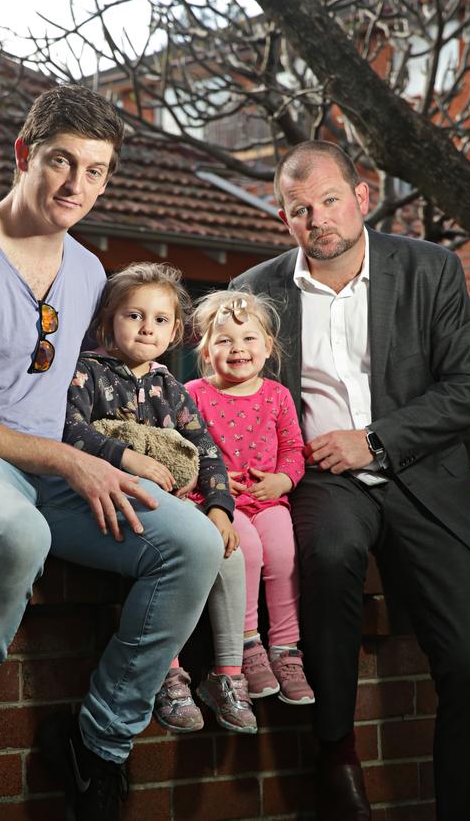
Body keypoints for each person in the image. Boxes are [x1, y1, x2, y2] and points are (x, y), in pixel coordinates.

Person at [0, 85, 224, 821]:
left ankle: (99, 741)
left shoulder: (91, 272)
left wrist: (117, 457)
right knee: (15, 530)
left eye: (95, 170)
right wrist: (68, 460)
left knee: (192, 542)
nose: (76, 185)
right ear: (23, 155)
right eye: (61, 162)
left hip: (39, 472)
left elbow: (91, 398)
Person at [231, 140, 470, 821]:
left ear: (362, 197)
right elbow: (227, 392)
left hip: (422, 477)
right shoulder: (254, 292)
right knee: (327, 553)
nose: (317, 218)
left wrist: (374, 440)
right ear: (284, 219)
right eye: (298, 210)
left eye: (327, 200)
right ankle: (335, 749)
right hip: (321, 479)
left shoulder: (430, 269)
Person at [64, 262, 258, 736]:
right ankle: (166, 673)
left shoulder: (169, 386)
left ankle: (228, 675)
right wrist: (128, 456)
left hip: (180, 501)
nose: (147, 327)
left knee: (227, 553)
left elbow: (207, 450)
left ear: (175, 331)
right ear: (108, 320)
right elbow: (68, 431)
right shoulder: (86, 373)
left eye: (160, 319)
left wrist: (218, 508)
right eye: (134, 315)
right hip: (121, 502)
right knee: (165, 550)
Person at [186, 289, 314, 707]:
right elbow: (186, 453)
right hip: (222, 505)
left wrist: (283, 481)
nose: (237, 349)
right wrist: (213, 489)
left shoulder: (276, 395)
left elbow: (294, 449)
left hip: (269, 499)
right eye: (224, 341)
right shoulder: (193, 394)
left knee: (283, 551)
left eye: (248, 339)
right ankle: (248, 645)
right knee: (250, 552)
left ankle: (286, 649)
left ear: (268, 346)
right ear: (205, 350)